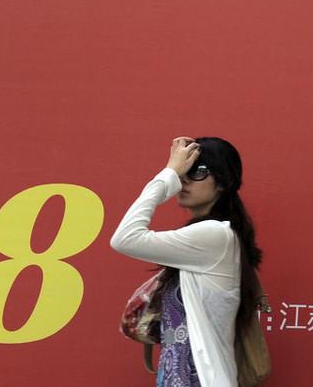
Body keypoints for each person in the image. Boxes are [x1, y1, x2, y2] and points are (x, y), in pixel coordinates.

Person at [111, 136, 264, 387]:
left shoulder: (215, 235)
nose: (184, 179)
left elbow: (124, 238)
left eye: (198, 171)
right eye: (184, 170)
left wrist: (169, 173)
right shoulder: (202, 241)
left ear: (223, 181)